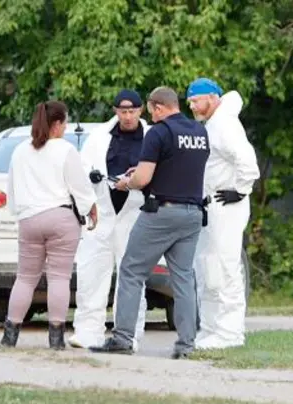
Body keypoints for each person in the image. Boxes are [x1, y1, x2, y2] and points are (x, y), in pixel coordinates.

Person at [89, 86, 210, 359]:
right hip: (192, 214)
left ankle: (122, 339)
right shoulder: (200, 133)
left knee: (131, 270)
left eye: (151, 110)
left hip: (161, 213)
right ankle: (187, 344)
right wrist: (145, 173)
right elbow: (178, 167)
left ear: (157, 107)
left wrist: (126, 182)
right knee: (183, 279)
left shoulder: (159, 132)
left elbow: (142, 180)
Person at [0, 100, 98, 350]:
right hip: (61, 218)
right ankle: (56, 339)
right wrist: (90, 208)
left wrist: (20, 212)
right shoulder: (65, 150)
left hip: (30, 220)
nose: (65, 128)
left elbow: (12, 188)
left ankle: (10, 335)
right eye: (64, 123)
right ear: (56, 124)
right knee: (59, 279)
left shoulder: (20, 150)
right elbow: (79, 186)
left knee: (24, 278)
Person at [68, 89, 150, 351]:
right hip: (101, 213)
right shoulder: (99, 137)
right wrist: (91, 180)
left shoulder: (151, 136)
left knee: (132, 275)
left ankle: (129, 334)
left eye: (132, 111)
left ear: (140, 111)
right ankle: (88, 331)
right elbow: (82, 168)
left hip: (134, 213)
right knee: (92, 272)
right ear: (115, 111)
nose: (127, 116)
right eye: (123, 112)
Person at [186, 77, 260, 349]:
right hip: (211, 205)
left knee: (226, 267)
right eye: (190, 102)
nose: (192, 106)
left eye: (195, 101)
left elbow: (247, 161)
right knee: (208, 267)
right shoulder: (213, 124)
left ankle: (230, 333)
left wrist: (240, 190)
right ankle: (210, 329)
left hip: (226, 205)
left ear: (212, 98)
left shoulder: (225, 124)